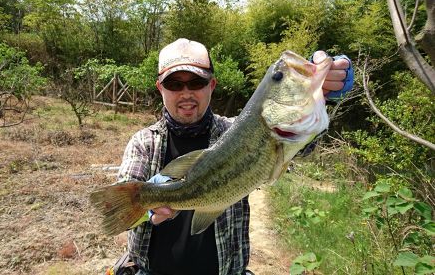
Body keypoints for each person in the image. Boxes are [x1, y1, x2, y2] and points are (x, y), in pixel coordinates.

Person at [115, 38, 353, 275]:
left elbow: (303, 146)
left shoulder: (234, 131)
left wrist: (324, 93)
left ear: (212, 84)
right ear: (160, 88)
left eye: (197, 82)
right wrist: (147, 210)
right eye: (174, 84)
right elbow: (120, 212)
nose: (186, 93)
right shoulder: (143, 143)